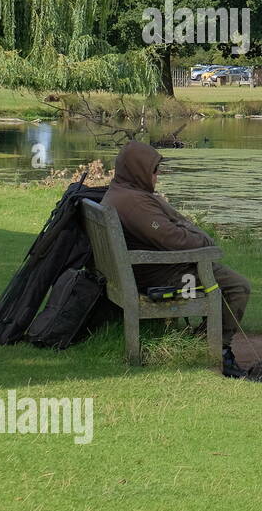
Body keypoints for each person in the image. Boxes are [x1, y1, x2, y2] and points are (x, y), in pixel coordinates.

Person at [104, 142, 251, 377]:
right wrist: (204, 240)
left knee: (226, 278)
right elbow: (173, 239)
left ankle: (202, 342)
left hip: (139, 272)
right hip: (158, 276)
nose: (157, 176)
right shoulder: (135, 203)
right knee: (237, 287)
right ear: (138, 170)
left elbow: (168, 232)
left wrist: (184, 226)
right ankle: (214, 349)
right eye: (154, 170)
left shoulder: (122, 192)